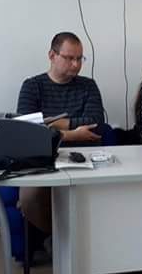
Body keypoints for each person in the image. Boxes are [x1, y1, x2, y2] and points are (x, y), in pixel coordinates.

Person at [16, 32, 106, 239]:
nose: (76, 65)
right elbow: (27, 131)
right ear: (52, 55)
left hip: (85, 158)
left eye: (80, 58)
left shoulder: (88, 86)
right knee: (30, 198)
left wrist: (54, 125)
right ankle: (60, 241)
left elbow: (96, 124)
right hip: (42, 158)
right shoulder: (32, 86)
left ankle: (86, 245)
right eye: (69, 58)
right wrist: (73, 134)